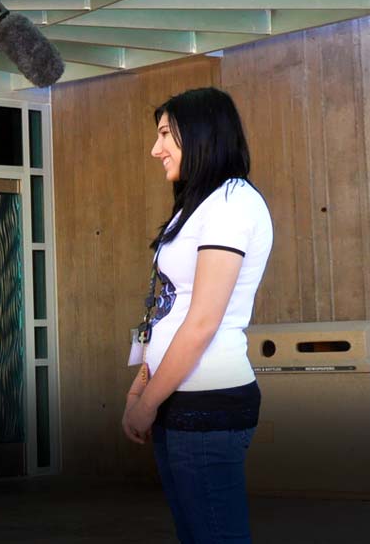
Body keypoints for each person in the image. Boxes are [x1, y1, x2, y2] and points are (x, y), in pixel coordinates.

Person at [121, 87, 273, 543]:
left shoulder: (231, 203)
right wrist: (141, 387)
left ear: (202, 133)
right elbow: (168, 307)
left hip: (207, 402)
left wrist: (147, 405)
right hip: (179, 399)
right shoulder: (201, 204)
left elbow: (203, 320)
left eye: (166, 134)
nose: (155, 148)